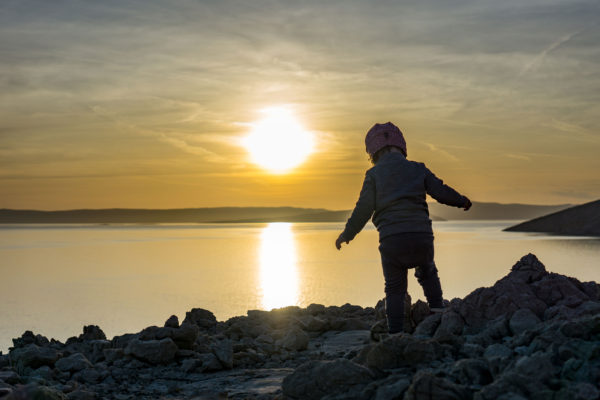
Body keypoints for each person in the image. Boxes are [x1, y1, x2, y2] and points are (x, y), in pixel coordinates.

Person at [335, 122, 471, 334]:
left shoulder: (373, 175)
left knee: (395, 289)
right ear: (402, 146)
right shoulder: (418, 169)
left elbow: (363, 209)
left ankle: (396, 334)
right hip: (421, 236)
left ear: (372, 152)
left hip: (392, 240)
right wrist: (462, 201)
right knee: (428, 272)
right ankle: (438, 314)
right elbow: (441, 191)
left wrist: (347, 234)